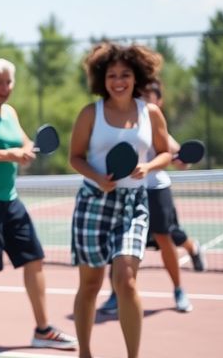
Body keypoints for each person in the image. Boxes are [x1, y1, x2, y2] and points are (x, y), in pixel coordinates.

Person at [0, 58, 77, 350]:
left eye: (8, 82)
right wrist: (10, 155)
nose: (4, 88)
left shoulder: (9, 112)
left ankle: (43, 329)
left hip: (9, 198)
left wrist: (24, 150)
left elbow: (23, 143)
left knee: (34, 259)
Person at [68, 41, 172, 358]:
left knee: (126, 279)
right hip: (93, 203)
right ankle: (85, 352)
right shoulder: (91, 113)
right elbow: (75, 157)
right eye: (112, 75)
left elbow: (166, 151)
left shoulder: (150, 112)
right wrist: (98, 178)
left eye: (125, 74)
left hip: (133, 205)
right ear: (103, 78)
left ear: (136, 76)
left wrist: (149, 166)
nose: (118, 81)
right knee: (90, 284)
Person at [98, 82, 206, 316]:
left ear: (159, 101)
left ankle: (179, 289)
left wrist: (177, 160)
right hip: (127, 192)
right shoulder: (124, 124)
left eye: (150, 96)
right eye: (142, 96)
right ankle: (116, 294)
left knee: (166, 238)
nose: (145, 100)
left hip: (156, 189)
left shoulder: (159, 127)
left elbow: (179, 159)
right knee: (118, 244)